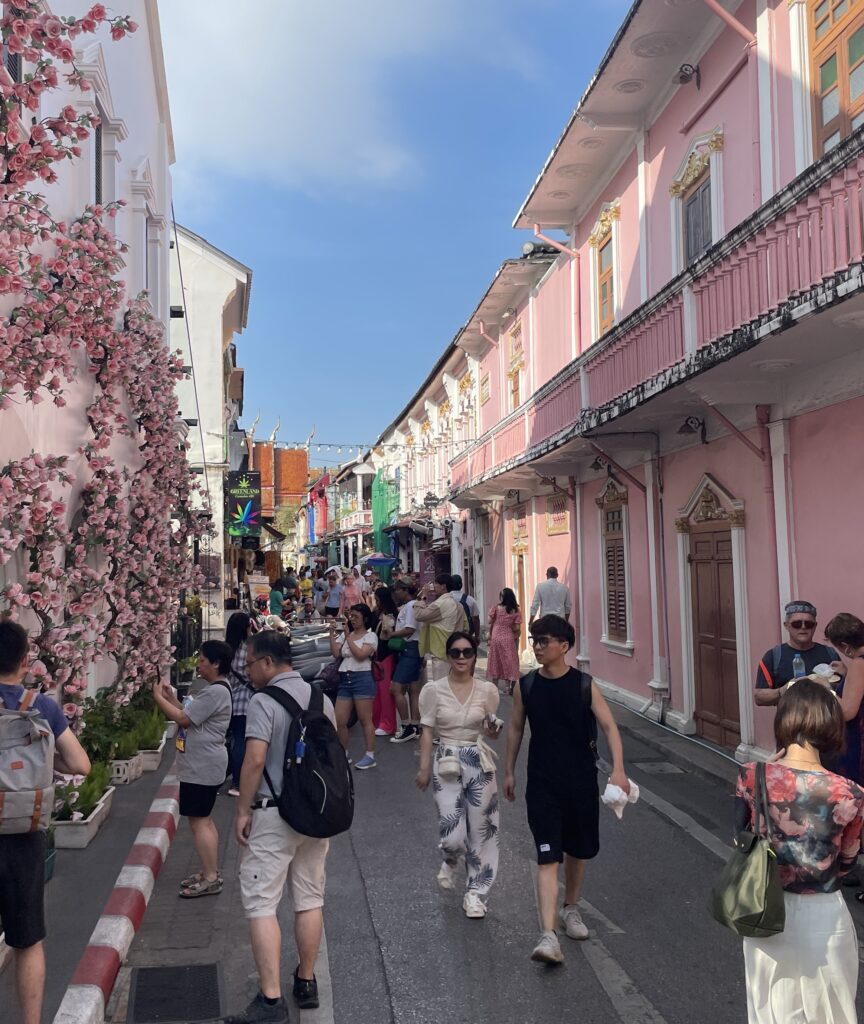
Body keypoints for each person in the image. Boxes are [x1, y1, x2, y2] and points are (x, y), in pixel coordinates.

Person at [735, 680, 864, 1024]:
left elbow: (742, 834)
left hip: (765, 909)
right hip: (824, 913)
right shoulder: (850, 792)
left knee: (771, 1011)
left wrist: (768, 767)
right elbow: (848, 861)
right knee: (832, 1012)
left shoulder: (751, 775)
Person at [503, 614, 629, 964]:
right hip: (542, 783)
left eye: (544, 641)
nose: (537, 646)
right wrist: (509, 771)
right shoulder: (525, 686)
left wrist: (618, 770)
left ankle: (570, 908)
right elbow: (515, 729)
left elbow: (609, 726)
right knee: (548, 857)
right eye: (534, 640)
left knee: (579, 850)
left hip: (580, 782)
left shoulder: (584, 686)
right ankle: (548, 935)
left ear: (564, 645)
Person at [226, 631, 334, 1023]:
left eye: (251, 663)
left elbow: (254, 760)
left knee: (261, 903)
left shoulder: (263, 701)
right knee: (309, 898)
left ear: (268, 663)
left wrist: (242, 810)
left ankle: (270, 1001)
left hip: (274, 814)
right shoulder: (320, 698)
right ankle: (306, 981)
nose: (248, 672)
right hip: (315, 815)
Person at [0, 621, 91, 1024]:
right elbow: (81, 765)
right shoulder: (43, 707)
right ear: (24, 661)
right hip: (23, 832)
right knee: (28, 939)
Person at [416, 632, 502, 919]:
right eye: (456, 652)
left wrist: (492, 730)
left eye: (467, 652)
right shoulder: (433, 690)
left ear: (475, 655)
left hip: (478, 761)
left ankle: (476, 893)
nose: (462, 657)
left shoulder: (487, 690)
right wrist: (424, 768)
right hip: (447, 763)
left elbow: (490, 728)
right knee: (452, 833)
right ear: (448, 656)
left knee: (483, 830)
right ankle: (451, 857)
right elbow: (427, 730)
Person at [153, 641, 233, 898]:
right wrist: (171, 697)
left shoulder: (216, 692)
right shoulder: (215, 691)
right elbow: (190, 712)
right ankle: (209, 870)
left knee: (200, 822)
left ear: (216, 663)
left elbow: (183, 719)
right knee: (202, 820)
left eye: (202, 660)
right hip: (202, 765)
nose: (198, 664)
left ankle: (211, 877)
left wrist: (157, 698)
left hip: (203, 766)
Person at [755, 601, 843, 705]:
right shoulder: (774, 656)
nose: (803, 627)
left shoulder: (830, 654)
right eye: (796, 624)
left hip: (826, 719)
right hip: (790, 719)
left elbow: (844, 691)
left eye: (808, 623)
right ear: (787, 626)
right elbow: (759, 697)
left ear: (815, 626)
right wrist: (781, 691)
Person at [330, 603, 379, 770]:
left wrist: (348, 637)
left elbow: (360, 655)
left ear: (365, 618)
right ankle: (343, 752)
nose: (352, 619)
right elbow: (336, 654)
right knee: (339, 719)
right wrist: (332, 634)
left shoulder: (370, 637)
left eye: (356, 617)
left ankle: (370, 754)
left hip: (362, 677)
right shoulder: (347, 635)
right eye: (351, 616)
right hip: (345, 678)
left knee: (365, 719)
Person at [414, 574, 469, 682]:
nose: (434, 586)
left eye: (436, 584)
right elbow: (466, 627)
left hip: (440, 652)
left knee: (441, 688)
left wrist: (423, 597)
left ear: (443, 586)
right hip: (455, 650)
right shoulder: (458, 605)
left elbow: (419, 615)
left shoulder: (441, 604)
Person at [390, 580, 424, 743]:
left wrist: (391, 634)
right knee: (414, 689)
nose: (395, 594)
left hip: (409, 648)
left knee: (396, 688)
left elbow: (409, 628)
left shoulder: (411, 606)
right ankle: (416, 725)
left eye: (397, 590)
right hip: (416, 648)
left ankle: (406, 725)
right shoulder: (415, 605)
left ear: (404, 590)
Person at [226, 612, 255, 797]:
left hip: (230, 700)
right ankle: (239, 782)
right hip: (248, 699)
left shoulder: (226, 650)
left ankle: (236, 779)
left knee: (236, 740)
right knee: (245, 742)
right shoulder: (248, 649)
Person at [371, 586, 398, 738]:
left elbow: (388, 635)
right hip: (377, 655)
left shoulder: (392, 614)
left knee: (385, 692)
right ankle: (378, 720)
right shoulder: (377, 613)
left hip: (387, 655)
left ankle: (388, 724)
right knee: (377, 692)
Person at [487, 588, 522, 696]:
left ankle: (495, 686)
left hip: (496, 636)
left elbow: (489, 621)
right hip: (508, 637)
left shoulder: (496, 608)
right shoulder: (515, 610)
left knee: (495, 660)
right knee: (509, 661)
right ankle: (508, 687)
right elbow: (516, 627)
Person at [449, 574, 480, 642]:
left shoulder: (445, 599)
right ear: (462, 585)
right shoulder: (470, 600)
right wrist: (477, 636)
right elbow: (476, 619)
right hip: (466, 635)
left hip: (448, 635)